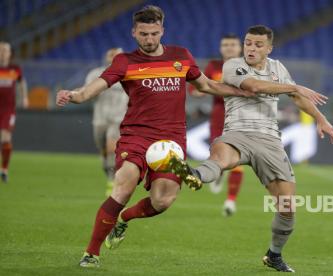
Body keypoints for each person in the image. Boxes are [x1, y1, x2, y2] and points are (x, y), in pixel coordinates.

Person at [56, 5, 262, 268]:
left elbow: (207, 85)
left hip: (172, 139)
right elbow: (95, 87)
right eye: (143, 34)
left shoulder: (181, 56)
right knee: (124, 185)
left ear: (162, 30)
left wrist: (242, 92)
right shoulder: (125, 62)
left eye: (154, 33)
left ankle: (125, 219)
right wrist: (76, 95)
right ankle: (91, 253)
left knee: (163, 201)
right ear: (134, 32)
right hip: (136, 135)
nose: (149, 39)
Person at [169, 25, 333, 273]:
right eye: (248, 43)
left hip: (270, 139)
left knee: (287, 207)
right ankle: (193, 175)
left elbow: (298, 98)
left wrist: (320, 118)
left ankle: (274, 254)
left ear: (269, 48)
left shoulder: (278, 68)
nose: (251, 48)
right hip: (237, 132)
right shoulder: (233, 65)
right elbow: (254, 86)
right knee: (219, 158)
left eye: (258, 45)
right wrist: (294, 87)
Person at [190, 33, 244, 216]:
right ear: (221, 48)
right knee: (218, 157)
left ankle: (230, 201)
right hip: (219, 117)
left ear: (240, 47)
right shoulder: (214, 66)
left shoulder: (247, 67)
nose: (229, 47)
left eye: (233, 44)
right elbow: (196, 87)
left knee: (237, 160)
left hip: (241, 118)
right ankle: (219, 173)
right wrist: (200, 91)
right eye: (225, 44)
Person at [85, 48, 128, 196]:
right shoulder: (95, 74)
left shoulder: (128, 74)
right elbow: (88, 93)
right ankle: (109, 172)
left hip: (119, 119)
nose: (114, 58)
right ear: (107, 57)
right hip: (100, 118)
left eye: (118, 55)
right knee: (103, 152)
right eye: (112, 55)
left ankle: (112, 182)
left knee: (112, 149)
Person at [0, 41, 28, 183]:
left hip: (8, 109)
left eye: (7, 51)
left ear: (10, 53)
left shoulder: (15, 69)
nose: (4, 53)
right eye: (2, 50)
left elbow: (22, 82)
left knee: (5, 139)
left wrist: (24, 98)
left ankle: (4, 169)